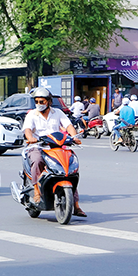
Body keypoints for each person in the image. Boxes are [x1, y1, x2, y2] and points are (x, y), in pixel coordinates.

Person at [23, 87, 85, 217]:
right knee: (37, 160)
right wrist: (30, 138)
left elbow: (68, 126)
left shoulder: (58, 113)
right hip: (39, 146)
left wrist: (74, 137)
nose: (39, 104)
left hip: (56, 146)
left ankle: (76, 205)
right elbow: (27, 129)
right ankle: (36, 190)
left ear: (49, 102)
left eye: (42, 101)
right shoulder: (32, 114)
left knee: (69, 169)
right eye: (37, 101)